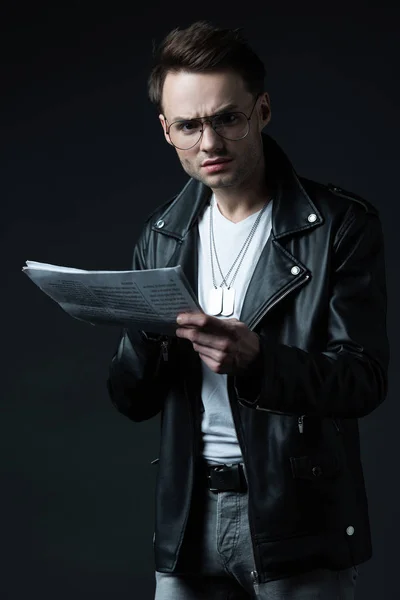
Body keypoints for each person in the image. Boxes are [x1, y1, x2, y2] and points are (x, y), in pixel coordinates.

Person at [106, 20, 389, 600]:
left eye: (226, 119)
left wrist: (260, 362)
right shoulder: (161, 237)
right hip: (186, 516)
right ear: (167, 130)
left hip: (296, 516)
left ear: (261, 110)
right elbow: (130, 400)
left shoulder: (339, 225)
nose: (209, 144)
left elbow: (362, 379)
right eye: (189, 126)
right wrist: (147, 334)